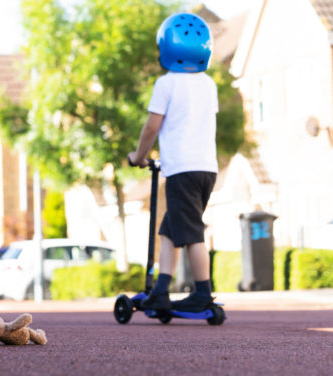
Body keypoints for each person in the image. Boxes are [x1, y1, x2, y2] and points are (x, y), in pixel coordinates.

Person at [127, 12, 218, 313]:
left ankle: (203, 293)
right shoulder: (209, 85)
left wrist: (138, 157)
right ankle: (162, 289)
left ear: (166, 47)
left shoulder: (166, 84)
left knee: (191, 232)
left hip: (182, 169)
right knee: (170, 229)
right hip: (207, 169)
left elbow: (152, 127)